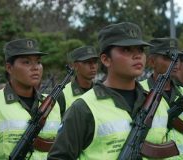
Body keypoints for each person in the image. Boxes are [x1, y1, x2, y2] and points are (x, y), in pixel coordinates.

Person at [48, 22, 170, 159]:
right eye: (126, 50)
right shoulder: (84, 108)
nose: (137, 56)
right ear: (106, 60)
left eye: (141, 49)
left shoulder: (156, 103)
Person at [0, 38, 65, 159]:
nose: (35, 67)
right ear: (9, 68)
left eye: (38, 62)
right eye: (26, 62)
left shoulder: (52, 104)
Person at [140, 38, 183, 159]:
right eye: (168, 57)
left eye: (177, 58)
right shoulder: (140, 92)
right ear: (152, 62)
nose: (175, 62)